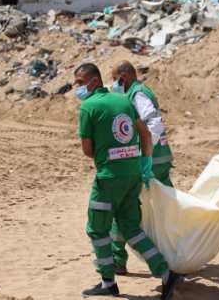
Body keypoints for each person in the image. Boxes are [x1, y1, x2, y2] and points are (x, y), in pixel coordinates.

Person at [74, 63, 179, 299]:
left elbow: (88, 150)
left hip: (109, 177)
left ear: (93, 81)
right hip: (134, 174)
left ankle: (108, 282)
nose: (76, 88)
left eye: (79, 83)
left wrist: (108, 151)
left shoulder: (88, 107)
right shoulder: (123, 101)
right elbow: (144, 133)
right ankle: (165, 273)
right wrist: (144, 161)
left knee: (97, 228)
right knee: (130, 227)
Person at [109, 61, 175, 275]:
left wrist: (145, 156)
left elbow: (154, 124)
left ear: (124, 77)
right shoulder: (141, 91)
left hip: (151, 161)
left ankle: (117, 260)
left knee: (122, 207)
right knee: (168, 208)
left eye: (115, 79)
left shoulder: (137, 94)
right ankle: (175, 253)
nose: (114, 84)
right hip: (161, 159)